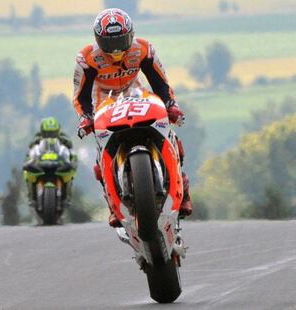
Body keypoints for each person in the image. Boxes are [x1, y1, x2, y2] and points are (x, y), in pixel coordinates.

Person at [73, 8, 193, 227]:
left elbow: (161, 83)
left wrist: (171, 105)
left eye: (121, 40)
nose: (117, 49)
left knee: (168, 131)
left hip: (136, 94)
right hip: (103, 102)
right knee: (101, 151)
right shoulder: (87, 58)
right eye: (110, 43)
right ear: (98, 40)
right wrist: (85, 118)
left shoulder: (143, 49)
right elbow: (80, 96)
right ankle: (112, 203)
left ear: (131, 35)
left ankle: (183, 188)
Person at [23, 117, 77, 208]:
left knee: (71, 174)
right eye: (47, 133)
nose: (50, 135)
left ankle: (67, 196)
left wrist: (72, 162)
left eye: (53, 133)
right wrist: (28, 161)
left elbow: (72, 153)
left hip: (58, 162)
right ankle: (31, 196)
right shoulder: (36, 138)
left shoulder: (64, 138)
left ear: (58, 131)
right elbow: (29, 152)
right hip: (41, 162)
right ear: (42, 131)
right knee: (27, 172)